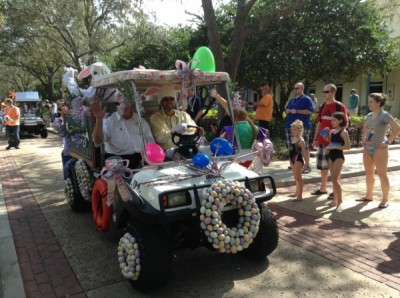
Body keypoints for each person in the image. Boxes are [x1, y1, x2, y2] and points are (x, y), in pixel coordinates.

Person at [356, 93, 400, 208]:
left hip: (379, 149)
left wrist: (387, 142)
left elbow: (397, 128)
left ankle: (385, 199)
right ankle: (368, 196)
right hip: (367, 148)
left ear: (378, 103)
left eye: (371, 102)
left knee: (382, 174)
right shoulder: (369, 115)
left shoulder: (385, 115)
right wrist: (363, 139)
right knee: (369, 174)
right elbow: (366, 128)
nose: (368, 104)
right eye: (369, 101)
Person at [91, 92, 155, 169]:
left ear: (131, 104)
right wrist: (98, 120)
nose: (123, 107)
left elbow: (150, 143)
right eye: (119, 104)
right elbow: (97, 141)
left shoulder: (141, 121)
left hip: (140, 159)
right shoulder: (109, 121)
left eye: (125, 103)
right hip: (117, 160)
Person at [312, 84, 349, 199]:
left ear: (333, 92)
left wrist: (336, 135)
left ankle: (335, 192)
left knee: (335, 170)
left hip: (334, 144)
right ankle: (323, 188)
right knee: (323, 167)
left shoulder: (339, 106)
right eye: (323, 91)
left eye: (326, 91)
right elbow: (319, 123)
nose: (324, 93)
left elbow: (345, 124)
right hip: (323, 142)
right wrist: (315, 138)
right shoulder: (323, 106)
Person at [285, 82, 314, 173]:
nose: (295, 90)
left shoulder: (306, 99)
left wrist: (297, 111)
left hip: (302, 127)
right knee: (292, 146)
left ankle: (307, 165)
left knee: (304, 147)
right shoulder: (292, 100)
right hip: (290, 125)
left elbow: (311, 110)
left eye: (297, 88)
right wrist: (287, 111)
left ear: (302, 88)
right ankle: (295, 163)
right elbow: (286, 110)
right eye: (294, 88)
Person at [324, 112, 351, 207]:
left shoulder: (344, 132)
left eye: (334, 120)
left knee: (335, 179)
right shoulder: (332, 132)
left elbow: (348, 146)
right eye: (331, 120)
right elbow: (331, 142)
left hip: (339, 157)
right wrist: (325, 136)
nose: (332, 122)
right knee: (333, 179)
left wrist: (333, 148)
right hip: (331, 156)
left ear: (341, 120)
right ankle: (335, 199)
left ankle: (340, 201)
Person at [288, 120, 309, 202]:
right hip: (292, 160)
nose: (293, 131)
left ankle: (300, 196)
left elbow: (304, 153)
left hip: (298, 160)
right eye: (292, 130)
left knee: (298, 178)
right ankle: (296, 192)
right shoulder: (293, 138)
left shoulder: (301, 141)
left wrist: (307, 163)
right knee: (295, 177)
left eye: (295, 129)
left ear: (300, 130)